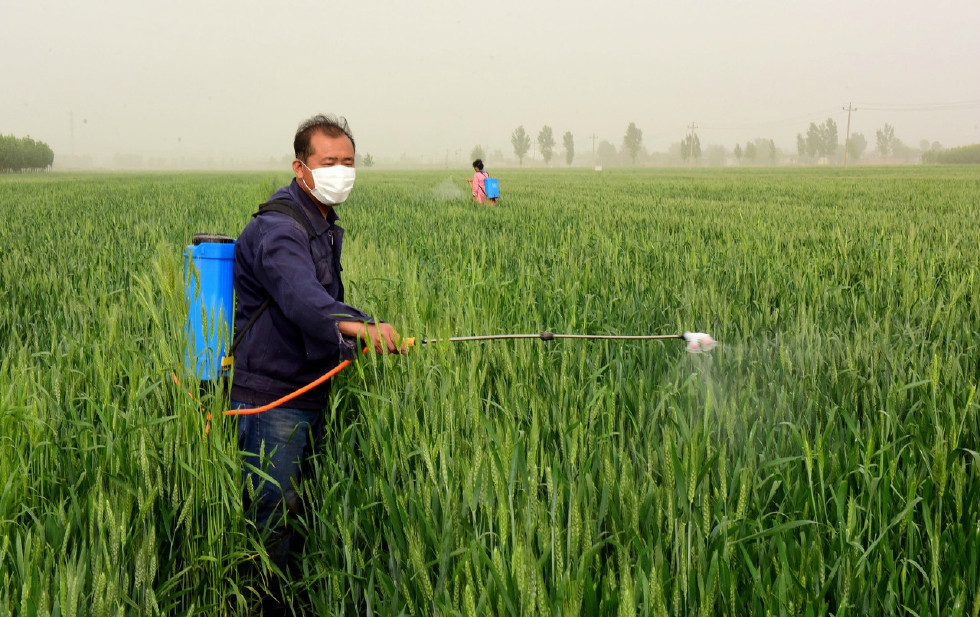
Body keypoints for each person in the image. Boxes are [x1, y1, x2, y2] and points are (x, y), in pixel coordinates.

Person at [230, 114, 406, 613]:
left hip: (307, 391)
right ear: (300, 167)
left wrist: (358, 334)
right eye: (329, 162)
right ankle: (264, 606)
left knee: (302, 512)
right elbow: (303, 299)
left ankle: (295, 600)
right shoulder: (279, 228)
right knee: (270, 523)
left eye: (348, 162)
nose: (341, 171)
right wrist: (362, 326)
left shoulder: (319, 224)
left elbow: (320, 307)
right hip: (271, 399)